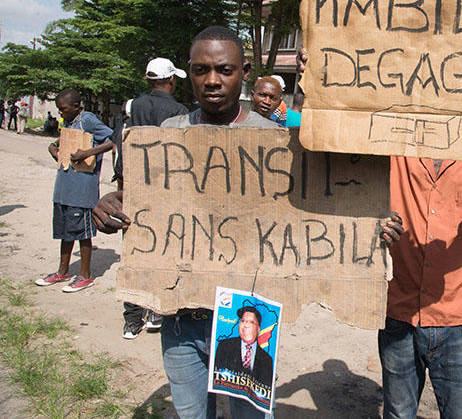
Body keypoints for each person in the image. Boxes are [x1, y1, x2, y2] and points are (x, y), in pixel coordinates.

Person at [92, 26, 403, 418]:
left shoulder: (275, 140)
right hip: (179, 317)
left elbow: (319, 204)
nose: (212, 81)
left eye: (224, 69)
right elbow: (139, 203)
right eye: (201, 70)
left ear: (244, 72)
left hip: (248, 318)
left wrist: (370, 226)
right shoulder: (167, 136)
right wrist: (109, 205)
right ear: (188, 72)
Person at [294, 46, 462, 418]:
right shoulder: (390, 145)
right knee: (398, 413)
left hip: (456, 321)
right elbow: (332, 146)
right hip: (397, 314)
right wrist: (316, 84)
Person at [118, 57, 189, 340]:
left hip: (135, 188)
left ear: (148, 81)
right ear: (171, 80)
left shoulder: (133, 106)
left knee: (134, 252)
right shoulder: (180, 110)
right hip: (167, 190)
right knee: (163, 248)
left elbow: (123, 144)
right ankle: (157, 312)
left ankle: (132, 320)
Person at [36, 89, 113, 292]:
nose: (60, 113)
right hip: (64, 187)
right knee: (65, 231)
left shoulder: (87, 119)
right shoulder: (69, 122)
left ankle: (85, 275)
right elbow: (59, 141)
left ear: (77, 106)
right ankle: (62, 272)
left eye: (63, 109)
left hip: (82, 189)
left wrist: (88, 152)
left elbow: (112, 141)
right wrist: (53, 147)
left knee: (82, 231)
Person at [214, 306, 274, 388]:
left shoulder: (267, 359)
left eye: (251, 322)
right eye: (243, 321)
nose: (246, 325)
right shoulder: (224, 346)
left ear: (258, 328)